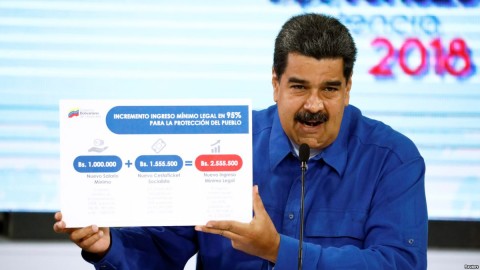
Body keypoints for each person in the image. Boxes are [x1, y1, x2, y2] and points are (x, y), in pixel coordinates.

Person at [54, 13, 428, 269]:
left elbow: (398, 263)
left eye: (330, 88)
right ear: (275, 84)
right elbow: (162, 251)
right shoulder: (223, 143)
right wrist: (107, 244)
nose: (314, 105)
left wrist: (279, 252)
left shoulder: (393, 159)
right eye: (298, 87)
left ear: (348, 89)